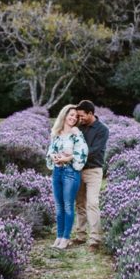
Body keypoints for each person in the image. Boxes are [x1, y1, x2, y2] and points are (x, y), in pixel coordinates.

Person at [45, 104, 89, 249]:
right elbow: (50, 150)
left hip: (70, 172)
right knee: (59, 206)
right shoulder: (56, 133)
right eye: (71, 115)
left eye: (76, 117)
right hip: (57, 171)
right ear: (64, 115)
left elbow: (82, 152)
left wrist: (67, 158)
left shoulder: (76, 133)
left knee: (68, 205)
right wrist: (54, 156)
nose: (73, 118)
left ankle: (66, 238)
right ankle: (59, 236)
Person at [73, 100, 109, 251]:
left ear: (90, 113)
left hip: (94, 170)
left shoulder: (102, 129)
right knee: (80, 204)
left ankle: (95, 239)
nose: (80, 118)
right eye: (78, 116)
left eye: (82, 116)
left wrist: (73, 155)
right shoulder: (79, 127)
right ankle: (80, 236)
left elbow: (94, 150)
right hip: (77, 169)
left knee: (92, 203)